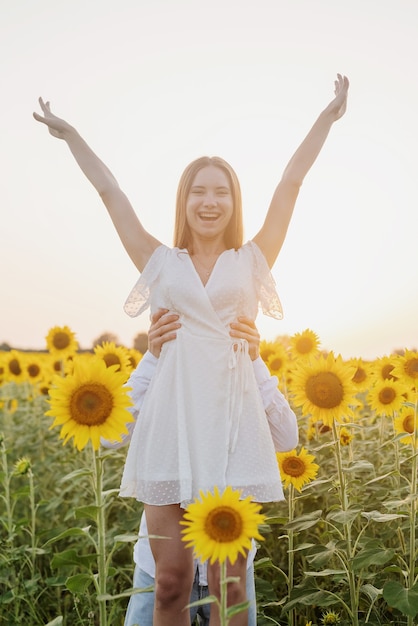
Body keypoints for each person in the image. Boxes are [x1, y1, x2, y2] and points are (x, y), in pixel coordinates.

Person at [34, 73, 349, 626]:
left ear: (234, 201)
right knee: (172, 585)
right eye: (198, 191)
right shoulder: (160, 262)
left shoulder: (252, 260)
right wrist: (71, 134)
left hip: (232, 430)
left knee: (231, 586)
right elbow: (111, 193)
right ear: (184, 201)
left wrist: (327, 116)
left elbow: (291, 184)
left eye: (221, 190)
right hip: (171, 431)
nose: (210, 201)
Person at [102, 309, 299, 626]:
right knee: (167, 594)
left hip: (231, 569)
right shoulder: (168, 376)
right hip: (159, 574)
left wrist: (253, 360)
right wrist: (153, 357)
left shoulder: (240, 377)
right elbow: (110, 435)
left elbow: (287, 437)